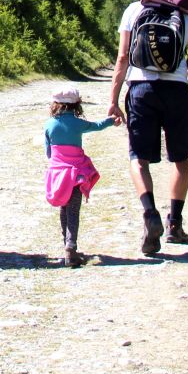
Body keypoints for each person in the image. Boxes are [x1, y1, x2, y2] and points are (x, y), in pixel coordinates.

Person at [108, 0, 188, 254]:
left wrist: (113, 99)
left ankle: (150, 214)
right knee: (180, 160)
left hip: (141, 90)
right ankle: (175, 223)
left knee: (138, 159)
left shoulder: (134, 9)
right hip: (177, 91)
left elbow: (123, 57)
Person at [44, 87, 117, 267]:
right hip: (76, 175)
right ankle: (71, 247)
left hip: (58, 175)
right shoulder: (78, 123)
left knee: (64, 209)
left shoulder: (49, 124)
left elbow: (48, 153)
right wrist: (111, 121)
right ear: (76, 105)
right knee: (73, 212)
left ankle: (66, 245)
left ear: (55, 105)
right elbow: (97, 126)